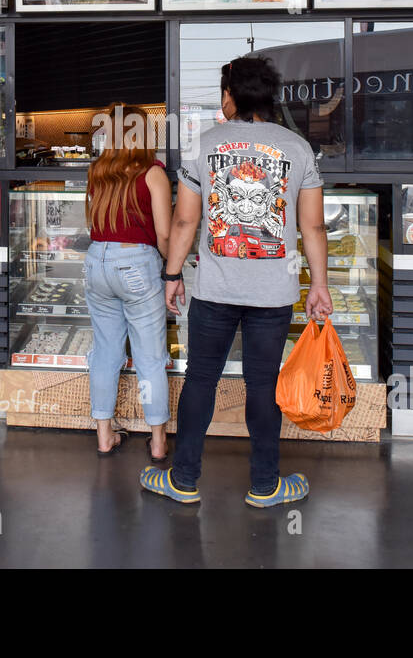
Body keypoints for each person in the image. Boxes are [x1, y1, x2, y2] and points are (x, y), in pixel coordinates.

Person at [141, 56, 332, 507]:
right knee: (263, 385)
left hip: (214, 290)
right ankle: (265, 486)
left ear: (231, 95)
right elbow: (314, 228)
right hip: (274, 293)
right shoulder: (298, 149)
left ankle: (184, 480)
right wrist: (319, 285)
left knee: (201, 380)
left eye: (223, 90)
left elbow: (186, 222)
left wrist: (172, 274)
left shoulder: (204, 146)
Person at [84, 102, 173, 461]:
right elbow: (165, 235)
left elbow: (91, 223)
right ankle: (157, 441)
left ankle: (104, 436)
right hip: (136, 264)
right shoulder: (152, 173)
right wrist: (173, 269)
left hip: (96, 262)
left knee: (105, 353)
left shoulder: (97, 171)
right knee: (150, 358)